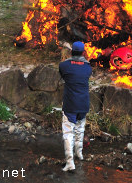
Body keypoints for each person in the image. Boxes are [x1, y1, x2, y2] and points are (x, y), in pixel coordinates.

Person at [59, 41, 92, 172]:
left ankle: (70, 163)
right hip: (84, 104)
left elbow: (63, 76)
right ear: (83, 52)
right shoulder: (88, 67)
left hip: (70, 104)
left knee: (68, 133)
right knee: (80, 129)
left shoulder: (64, 65)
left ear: (71, 51)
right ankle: (80, 154)